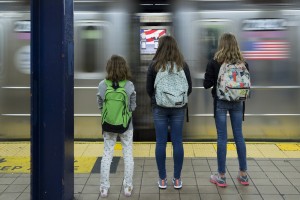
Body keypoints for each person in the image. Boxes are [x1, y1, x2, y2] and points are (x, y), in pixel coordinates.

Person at [203, 33, 249, 187]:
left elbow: (206, 84)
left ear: (221, 44)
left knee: (222, 138)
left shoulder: (215, 62)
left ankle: (221, 176)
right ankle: (243, 175)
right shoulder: (243, 63)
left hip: (221, 102)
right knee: (239, 136)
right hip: (238, 103)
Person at [146, 35, 192, 189]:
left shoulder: (154, 65)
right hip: (179, 108)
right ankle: (177, 179)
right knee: (177, 141)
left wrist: (160, 99)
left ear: (160, 47)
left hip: (159, 108)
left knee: (161, 142)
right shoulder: (183, 65)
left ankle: (162, 179)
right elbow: (189, 89)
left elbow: (149, 89)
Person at [97, 55, 136, 197]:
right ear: (124, 68)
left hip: (108, 125)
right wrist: (124, 115)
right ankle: (128, 187)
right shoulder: (129, 85)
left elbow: (100, 104)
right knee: (128, 154)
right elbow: (133, 106)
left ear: (108, 68)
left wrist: (109, 115)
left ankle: (104, 188)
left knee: (107, 155)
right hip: (126, 125)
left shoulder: (102, 84)